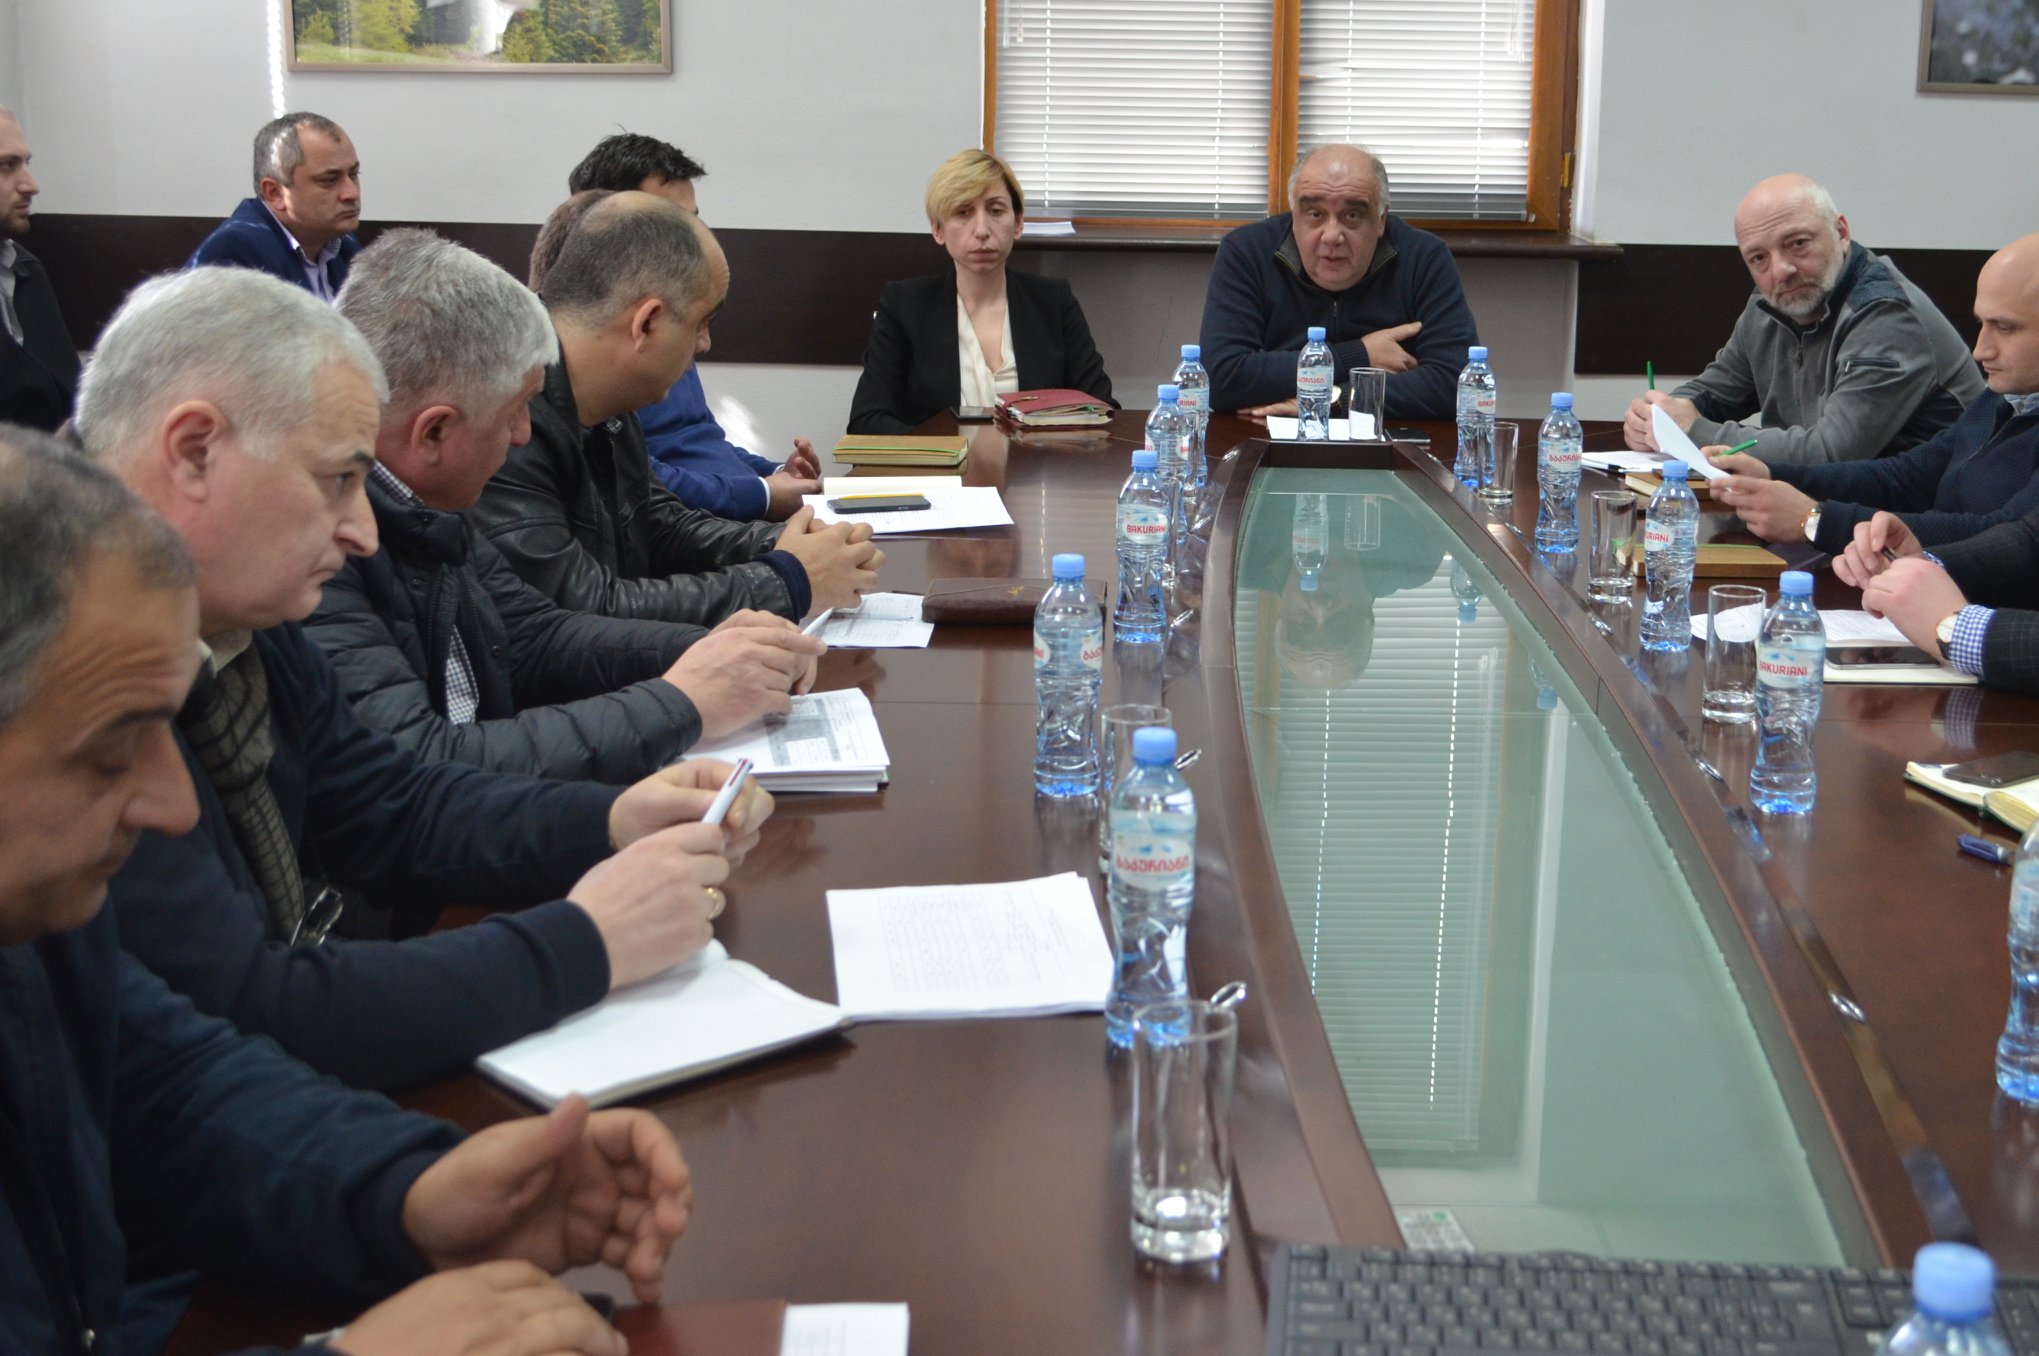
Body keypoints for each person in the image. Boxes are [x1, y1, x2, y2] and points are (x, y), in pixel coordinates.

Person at [0, 428, 689, 1356]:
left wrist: (407, 1193)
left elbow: (166, 1085)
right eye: (113, 749)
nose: (173, 804)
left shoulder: (36, 907)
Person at [75, 266, 770, 1094]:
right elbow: (250, 1008)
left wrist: (612, 818)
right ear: (194, 451)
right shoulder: (62, 677)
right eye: (337, 480)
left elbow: (389, 803)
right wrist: (585, 940)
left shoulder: (234, 605)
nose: (362, 531)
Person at [310, 228, 824, 782]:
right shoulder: (322, 551)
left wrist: (720, 648)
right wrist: (681, 702)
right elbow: (421, 769)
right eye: (513, 411)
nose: (522, 434)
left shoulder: (425, 505)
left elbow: (535, 636)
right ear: (433, 432)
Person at [474, 190, 883, 624]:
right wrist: (788, 580)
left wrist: (790, 543)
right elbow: (581, 609)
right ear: (646, 323)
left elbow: (658, 524)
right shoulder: (505, 410)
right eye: (702, 323)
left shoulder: (603, 391)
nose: (704, 344)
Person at [1710, 233, 2039, 552]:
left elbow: (2009, 540)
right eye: (1982, 324)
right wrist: (1772, 473)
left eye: (2005, 328)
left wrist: (1815, 521)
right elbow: (1907, 477)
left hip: (1945, 581)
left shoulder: (1887, 311)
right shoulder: (2004, 398)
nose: (1981, 351)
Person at [1624, 173, 1981, 466]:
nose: (1780, 270)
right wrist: (1660, 417)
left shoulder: (1886, 314)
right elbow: (1716, 392)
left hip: (1923, 513)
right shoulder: (1769, 305)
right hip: (1836, 503)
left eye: (1797, 243)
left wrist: (1695, 430)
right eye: (1759, 258)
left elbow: (1832, 453)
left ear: (1841, 232)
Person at [567, 133, 821, 520]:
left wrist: (773, 473)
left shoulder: (673, 313)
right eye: (673, 223)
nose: (694, 239)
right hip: (701, 527)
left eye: (694, 220)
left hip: (730, 520)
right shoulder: (594, 337)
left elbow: (698, 436)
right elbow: (638, 482)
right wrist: (762, 495)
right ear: (606, 226)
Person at [1197, 144, 1477, 420]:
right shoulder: (1246, 252)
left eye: (1352, 215)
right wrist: (1359, 355)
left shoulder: (1424, 258)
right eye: (1315, 214)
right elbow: (1221, 377)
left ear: (1380, 220)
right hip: (1264, 435)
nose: (1332, 236)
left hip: (1389, 440)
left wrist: (1334, 399)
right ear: (1294, 216)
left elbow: (1459, 384)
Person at [846, 148, 1115, 435]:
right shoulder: (905, 305)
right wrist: (944, 453)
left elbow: (1103, 411)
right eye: (963, 212)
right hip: (944, 464)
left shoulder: (1053, 301)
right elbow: (866, 420)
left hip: (1036, 463)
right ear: (938, 229)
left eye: (996, 211)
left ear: (1018, 223)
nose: (982, 230)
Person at [187, 112, 363, 301]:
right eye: (329, 180)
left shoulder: (343, 245)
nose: (352, 193)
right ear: (275, 193)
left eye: (353, 174)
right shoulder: (233, 255)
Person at [0, 105, 80, 431]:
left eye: (26, 164)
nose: (31, 185)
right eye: (7, 166)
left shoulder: (24, 268)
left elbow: (69, 396)